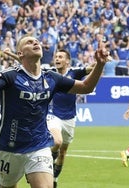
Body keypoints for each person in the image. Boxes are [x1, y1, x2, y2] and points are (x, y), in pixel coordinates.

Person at [0, 34, 110, 188]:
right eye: (29, 42)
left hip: (39, 145)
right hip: (10, 147)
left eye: (36, 41)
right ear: (20, 53)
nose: (35, 42)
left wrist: (100, 65)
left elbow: (86, 87)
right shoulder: (10, 75)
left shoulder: (52, 77)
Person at [47, 49, 93, 188]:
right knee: (57, 141)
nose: (57, 59)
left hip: (69, 118)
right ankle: (44, 165)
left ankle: (54, 178)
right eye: (56, 56)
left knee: (63, 153)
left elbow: (91, 69)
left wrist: (100, 62)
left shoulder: (74, 72)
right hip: (53, 114)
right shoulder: (50, 73)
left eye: (61, 57)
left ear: (67, 61)